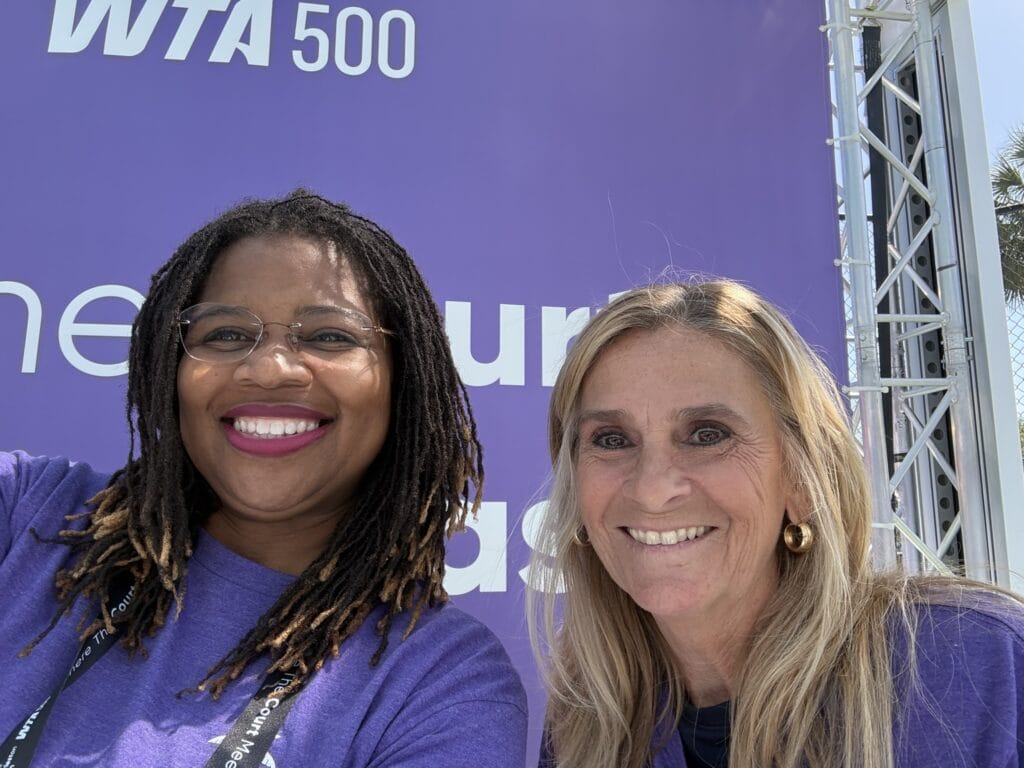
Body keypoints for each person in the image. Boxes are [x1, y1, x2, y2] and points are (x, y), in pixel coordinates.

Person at [1, 190, 527, 767]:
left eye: (329, 336)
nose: (270, 369)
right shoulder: (30, 513)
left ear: (401, 383)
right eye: (225, 334)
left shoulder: (442, 681)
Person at [528, 280, 1024, 768]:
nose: (652, 489)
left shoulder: (981, 663)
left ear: (801, 480)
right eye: (612, 440)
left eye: (707, 434)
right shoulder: (585, 726)